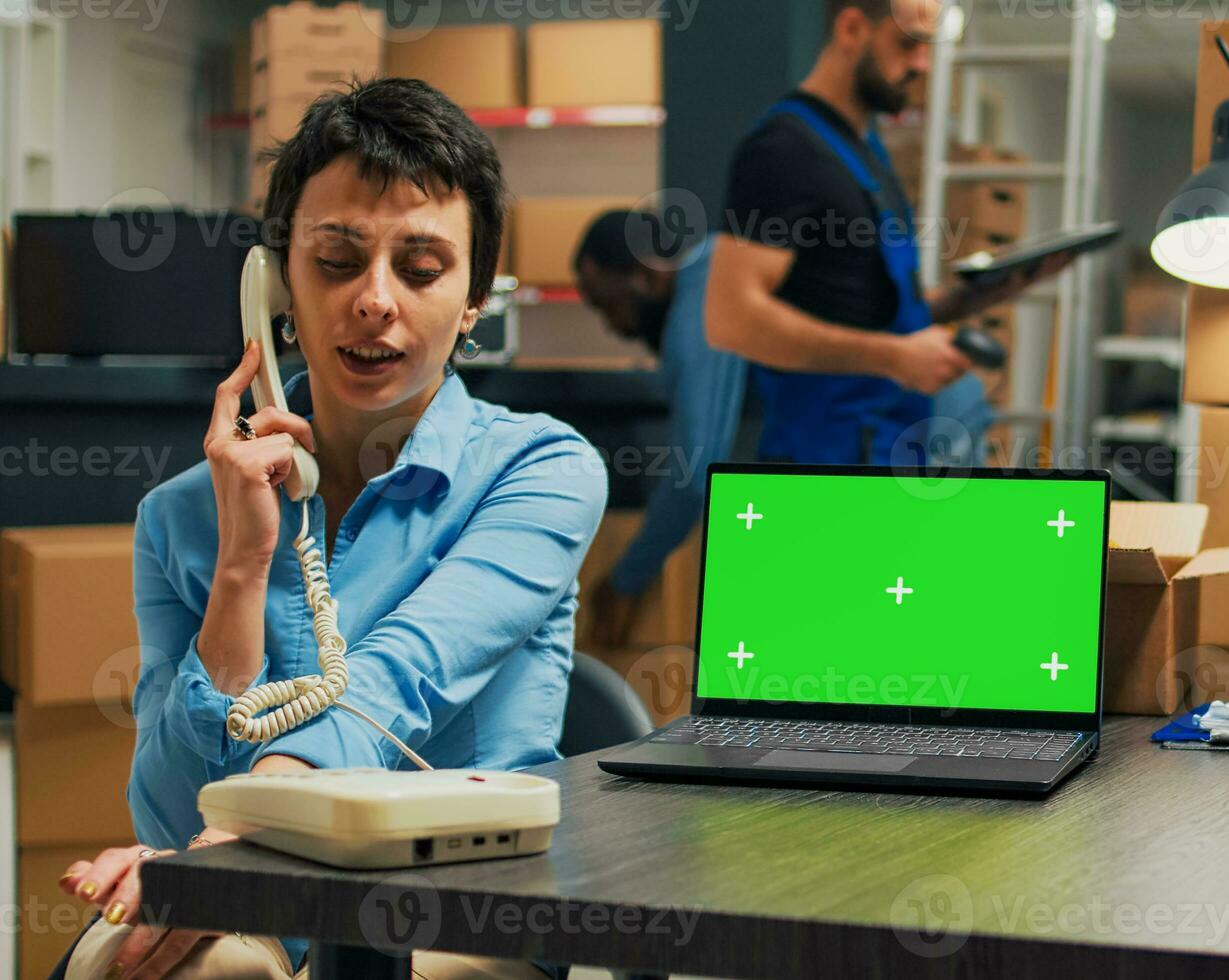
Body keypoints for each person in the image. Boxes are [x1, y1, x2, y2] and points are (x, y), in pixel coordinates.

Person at [59, 78, 602, 980]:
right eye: (337, 260)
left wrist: (243, 828)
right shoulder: (184, 515)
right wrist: (243, 565)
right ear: (274, 285)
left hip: (462, 903)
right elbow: (163, 815)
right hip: (246, 888)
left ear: (472, 302)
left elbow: (399, 678)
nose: (375, 301)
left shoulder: (540, 473)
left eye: (422, 270)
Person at [706, 0, 1062, 466]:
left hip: (889, 447)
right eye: (908, 44)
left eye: (929, 48)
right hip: (821, 464)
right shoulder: (783, 151)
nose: (923, 65)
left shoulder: (866, 149)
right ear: (852, 27)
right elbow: (732, 321)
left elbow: (869, 309)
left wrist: (972, 298)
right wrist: (893, 357)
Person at [572, 211, 747, 648]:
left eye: (605, 305)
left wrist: (623, 582)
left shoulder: (699, 313)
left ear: (644, 276)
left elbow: (693, 479)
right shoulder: (717, 262)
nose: (614, 328)